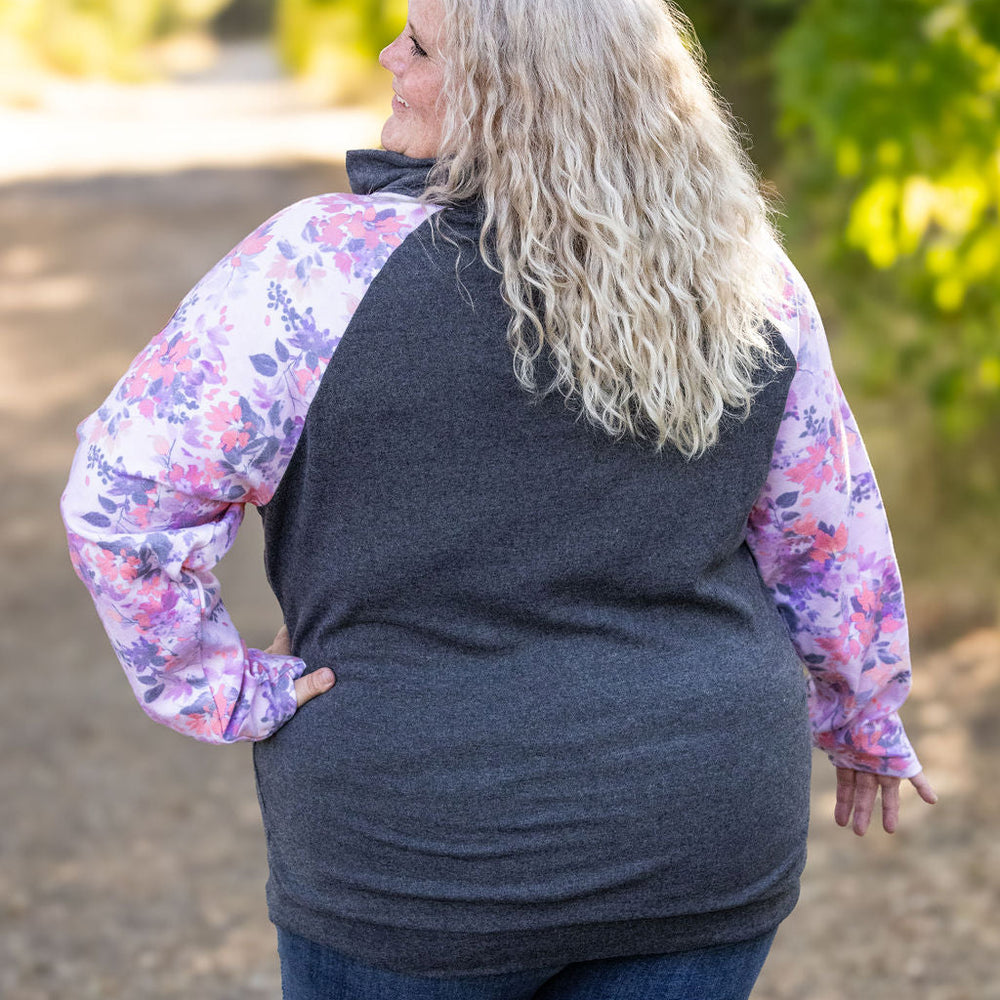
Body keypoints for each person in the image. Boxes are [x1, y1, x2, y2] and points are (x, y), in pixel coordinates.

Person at [61, 0, 937, 997]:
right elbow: (827, 535)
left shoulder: (313, 271)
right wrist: (862, 712)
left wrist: (219, 686)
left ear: (516, 88)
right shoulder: (742, 269)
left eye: (422, 45)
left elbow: (123, 499)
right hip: (703, 821)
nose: (389, 56)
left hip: (414, 857)